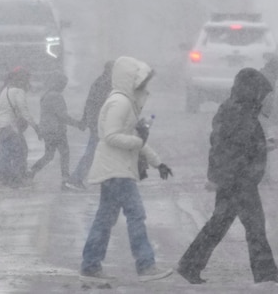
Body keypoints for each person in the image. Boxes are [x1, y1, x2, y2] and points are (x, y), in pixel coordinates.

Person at [176, 68, 278, 285]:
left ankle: (190, 264)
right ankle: (264, 272)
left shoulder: (234, 109)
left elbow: (232, 144)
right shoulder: (239, 112)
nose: (264, 99)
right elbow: (231, 147)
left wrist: (261, 146)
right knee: (253, 225)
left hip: (233, 177)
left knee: (220, 223)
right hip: (238, 179)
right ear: (252, 91)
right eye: (261, 93)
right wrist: (261, 147)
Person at [80, 56, 173, 282]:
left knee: (105, 218)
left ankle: (91, 265)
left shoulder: (123, 102)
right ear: (129, 80)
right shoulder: (120, 102)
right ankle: (145, 265)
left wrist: (157, 162)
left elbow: (133, 138)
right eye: (140, 82)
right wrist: (139, 142)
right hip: (117, 170)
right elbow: (111, 136)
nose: (143, 87)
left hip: (114, 170)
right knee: (135, 215)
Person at [29, 71, 82, 189]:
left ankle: (31, 171)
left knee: (49, 155)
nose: (63, 86)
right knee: (64, 153)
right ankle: (65, 179)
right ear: (58, 83)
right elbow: (62, 115)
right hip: (56, 130)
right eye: (63, 83)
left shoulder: (46, 94)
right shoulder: (56, 96)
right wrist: (77, 124)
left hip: (47, 129)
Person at [72, 61, 114, 188]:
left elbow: (90, 102)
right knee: (93, 152)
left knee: (102, 151)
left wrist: (86, 119)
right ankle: (76, 178)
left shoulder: (100, 81)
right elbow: (101, 104)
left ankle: (108, 179)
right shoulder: (105, 83)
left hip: (97, 121)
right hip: (99, 123)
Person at [0, 67, 35, 188]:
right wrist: (36, 127)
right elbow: (24, 112)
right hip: (8, 126)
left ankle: (0, 179)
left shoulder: (5, 90)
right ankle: (15, 179)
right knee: (18, 152)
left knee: (5, 152)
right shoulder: (18, 91)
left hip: (0, 126)